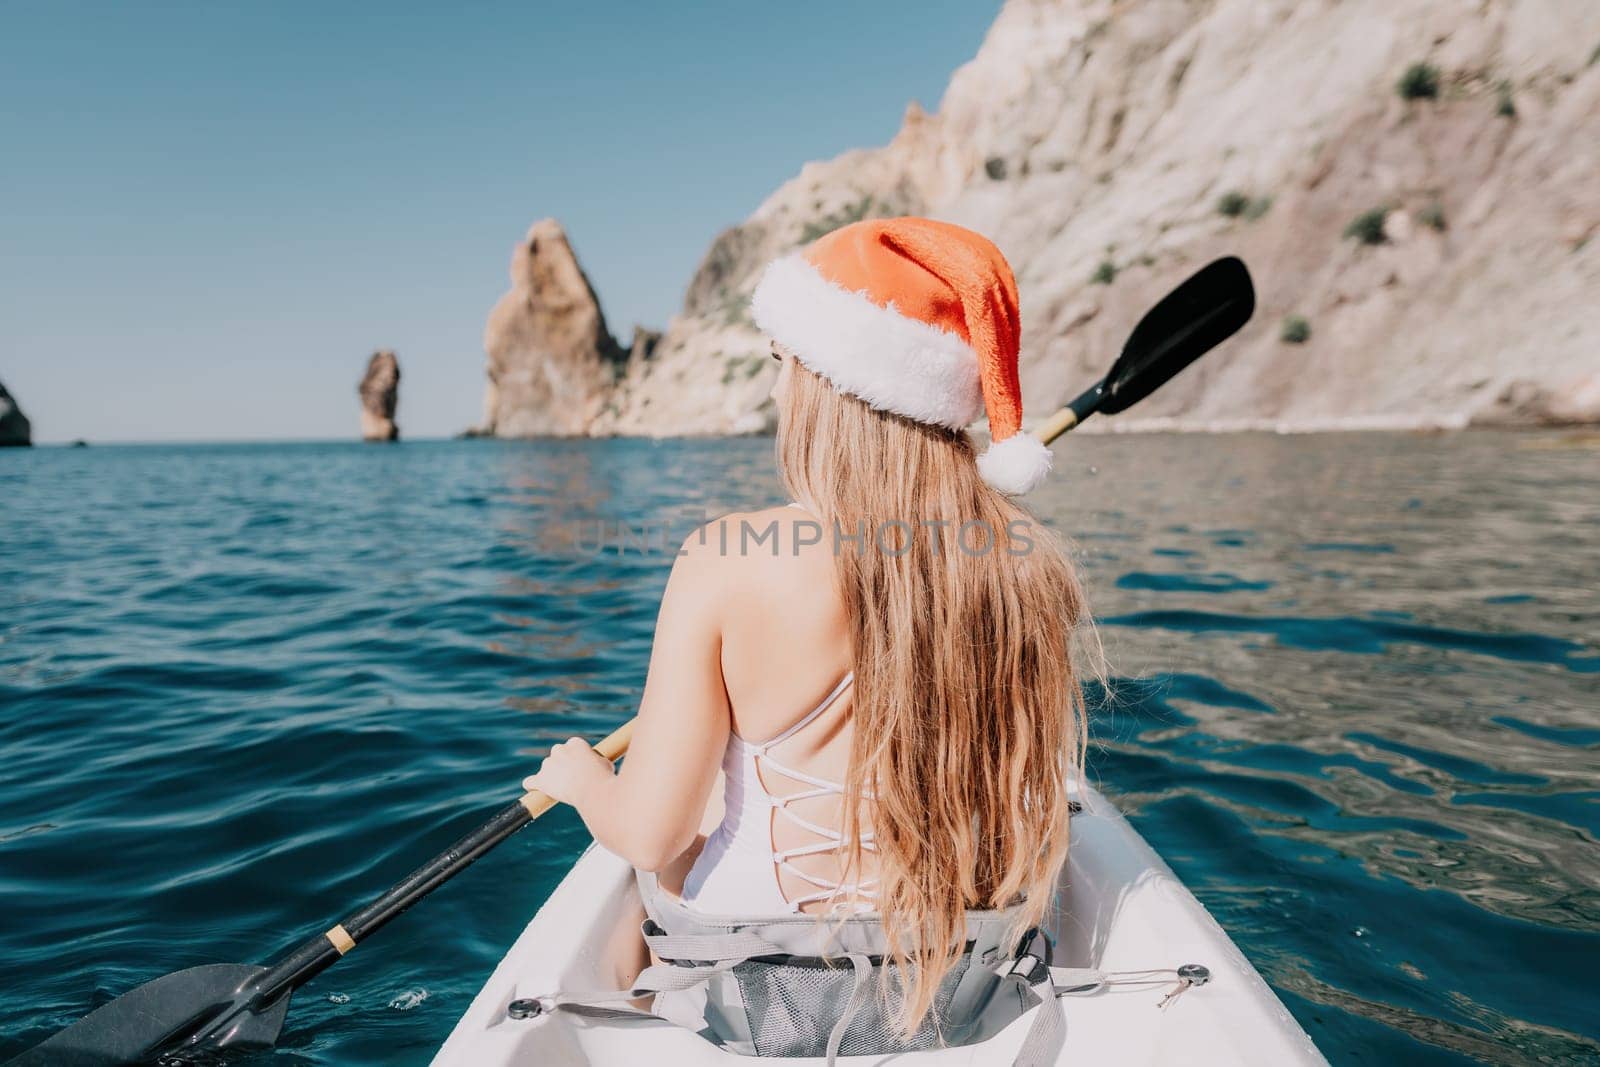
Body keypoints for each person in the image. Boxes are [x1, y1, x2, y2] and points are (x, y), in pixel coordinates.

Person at [525, 216, 1092, 1039]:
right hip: (959, 965)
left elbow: (650, 834)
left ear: (830, 383)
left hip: (765, 974)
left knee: (664, 855)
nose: (773, 388)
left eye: (781, 363)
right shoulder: (1019, 562)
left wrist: (582, 780)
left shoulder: (725, 557)